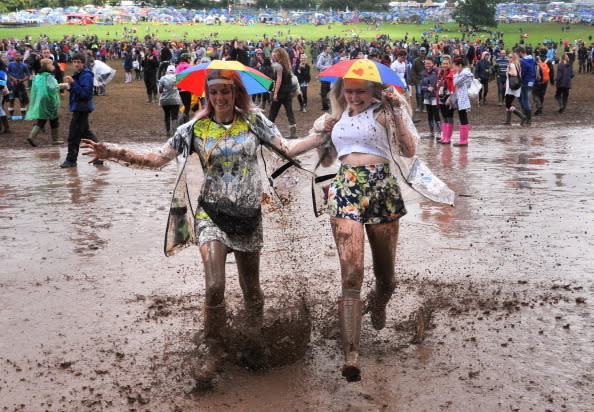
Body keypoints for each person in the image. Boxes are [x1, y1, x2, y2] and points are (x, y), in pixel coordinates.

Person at [80, 68, 327, 387]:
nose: (221, 98)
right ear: (206, 96)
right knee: (214, 286)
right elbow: (158, 159)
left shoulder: (256, 122)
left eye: (226, 92)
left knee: (251, 289)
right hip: (211, 215)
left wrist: (322, 137)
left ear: (236, 94)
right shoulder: (194, 128)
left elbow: (288, 149)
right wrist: (112, 151)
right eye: (215, 93)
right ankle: (216, 352)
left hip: (249, 216)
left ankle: (252, 340)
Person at [313, 76, 417, 382]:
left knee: (387, 277)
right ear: (341, 91)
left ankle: (378, 302)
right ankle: (351, 355)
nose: (354, 96)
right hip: (345, 188)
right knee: (351, 273)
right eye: (349, 90)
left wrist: (398, 111)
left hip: (382, 189)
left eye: (360, 91)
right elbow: (327, 158)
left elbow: (408, 149)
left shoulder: (383, 112)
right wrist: (324, 134)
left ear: (372, 91)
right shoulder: (336, 117)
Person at [60, 53, 101, 168]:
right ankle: (101, 155)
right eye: (74, 62)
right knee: (86, 134)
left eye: (79, 62)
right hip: (79, 107)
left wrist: (72, 83)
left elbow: (85, 94)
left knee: (74, 135)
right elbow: (78, 90)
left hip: (82, 108)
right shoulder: (78, 74)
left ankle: (71, 160)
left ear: (83, 63)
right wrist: (68, 87)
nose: (76, 64)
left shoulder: (86, 75)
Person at [25, 58, 68, 146]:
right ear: (47, 66)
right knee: (54, 119)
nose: (53, 66)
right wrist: (63, 85)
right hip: (49, 101)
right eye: (51, 64)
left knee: (41, 119)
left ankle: (31, 136)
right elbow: (53, 87)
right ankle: (55, 139)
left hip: (41, 100)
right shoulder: (48, 76)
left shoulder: (38, 76)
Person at [268, 47, 297, 138]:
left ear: (279, 55)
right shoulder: (287, 65)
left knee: (272, 113)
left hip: (280, 93)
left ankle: (268, 132)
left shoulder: (278, 66)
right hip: (287, 93)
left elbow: (279, 80)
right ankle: (293, 133)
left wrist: (275, 93)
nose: (273, 55)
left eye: (274, 53)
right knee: (289, 112)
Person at [449, 58, 473, 147]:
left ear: (459, 66)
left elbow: (456, 82)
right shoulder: (463, 73)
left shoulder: (465, 74)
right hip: (461, 97)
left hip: (463, 98)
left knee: (463, 118)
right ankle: (463, 140)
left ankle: (463, 140)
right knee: (462, 117)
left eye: (455, 66)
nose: (453, 68)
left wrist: (455, 75)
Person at [502, 52, 526, 126]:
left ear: (514, 58)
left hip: (511, 87)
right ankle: (508, 121)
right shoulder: (517, 65)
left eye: (510, 57)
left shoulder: (512, 65)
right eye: (508, 57)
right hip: (515, 86)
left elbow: (514, 74)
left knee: (508, 104)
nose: (508, 58)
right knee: (508, 103)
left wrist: (508, 71)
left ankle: (521, 116)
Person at [420, 56, 441, 139]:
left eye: (429, 63)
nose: (427, 65)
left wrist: (435, 88)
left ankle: (439, 132)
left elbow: (440, 82)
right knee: (429, 114)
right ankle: (431, 132)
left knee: (436, 113)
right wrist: (426, 88)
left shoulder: (437, 71)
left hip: (435, 95)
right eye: (426, 63)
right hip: (426, 95)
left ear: (433, 63)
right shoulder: (423, 73)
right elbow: (421, 85)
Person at [158, 65, 181, 136]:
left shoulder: (162, 78)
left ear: (167, 71)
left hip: (164, 100)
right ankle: (175, 132)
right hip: (175, 100)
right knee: (174, 116)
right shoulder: (177, 78)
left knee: (167, 115)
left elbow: (160, 91)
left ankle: (167, 131)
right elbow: (180, 89)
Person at [436, 55, 455, 143]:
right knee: (444, 116)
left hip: (449, 96)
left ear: (450, 64)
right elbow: (437, 83)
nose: (445, 65)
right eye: (443, 63)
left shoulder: (452, 73)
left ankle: (448, 138)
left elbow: (454, 86)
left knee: (449, 116)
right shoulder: (440, 72)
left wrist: (451, 97)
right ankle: (444, 136)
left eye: (446, 64)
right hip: (441, 96)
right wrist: (438, 84)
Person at [7, 52, 31, 119]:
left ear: (21, 57)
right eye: (16, 56)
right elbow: (7, 73)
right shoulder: (10, 64)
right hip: (12, 86)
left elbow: (28, 75)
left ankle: (23, 116)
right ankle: (10, 116)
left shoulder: (24, 65)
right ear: (14, 57)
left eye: (19, 56)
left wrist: (22, 80)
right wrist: (13, 78)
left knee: (22, 100)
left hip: (20, 85)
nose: (18, 57)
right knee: (11, 100)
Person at [517, 46, 536, 125]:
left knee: (524, 100)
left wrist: (519, 79)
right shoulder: (533, 59)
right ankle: (527, 118)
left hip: (525, 82)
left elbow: (523, 73)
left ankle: (527, 118)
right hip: (532, 81)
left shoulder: (523, 61)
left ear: (521, 53)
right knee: (525, 99)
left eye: (518, 54)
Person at [315, 46, 334, 111]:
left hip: (329, 74)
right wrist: (327, 67)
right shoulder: (322, 56)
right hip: (324, 75)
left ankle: (325, 99)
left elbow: (330, 63)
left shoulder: (329, 55)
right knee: (324, 91)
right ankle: (325, 106)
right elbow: (318, 65)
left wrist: (330, 67)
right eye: (328, 49)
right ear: (325, 49)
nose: (330, 49)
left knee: (329, 88)